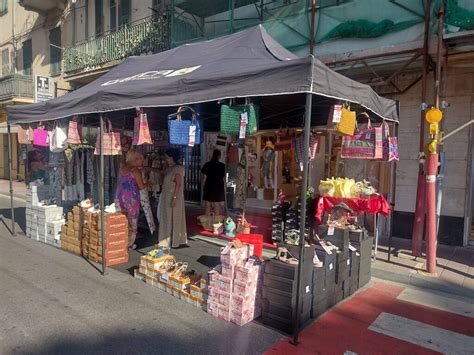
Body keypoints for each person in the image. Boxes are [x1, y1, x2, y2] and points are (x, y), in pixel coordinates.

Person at [115, 149, 151, 250]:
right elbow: (141, 186)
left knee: (122, 220)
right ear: (136, 159)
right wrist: (149, 183)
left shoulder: (122, 168)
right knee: (132, 221)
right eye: (141, 160)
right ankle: (129, 244)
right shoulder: (135, 171)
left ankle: (119, 242)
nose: (142, 162)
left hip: (119, 197)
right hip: (131, 199)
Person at [158, 148, 187, 248]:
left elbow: (178, 184)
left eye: (167, 157)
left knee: (174, 217)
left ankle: (174, 240)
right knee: (167, 217)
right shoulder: (170, 168)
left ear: (171, 157)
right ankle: (167, 240)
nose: (165, 159)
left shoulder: (178, 169)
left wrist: (174, 198)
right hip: (167, 196)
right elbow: (162, 173)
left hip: (174, 196)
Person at [201, 149, 226, 216]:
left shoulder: (207, 164)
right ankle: (217, 220)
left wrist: (203, 186)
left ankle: (206, 220)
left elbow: (204, 177)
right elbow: (224, 178)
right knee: (217, 204)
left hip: (209, 186)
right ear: (219, 156)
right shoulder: (222, 166)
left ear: (212, 155)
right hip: (219, 187)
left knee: (208, 203)